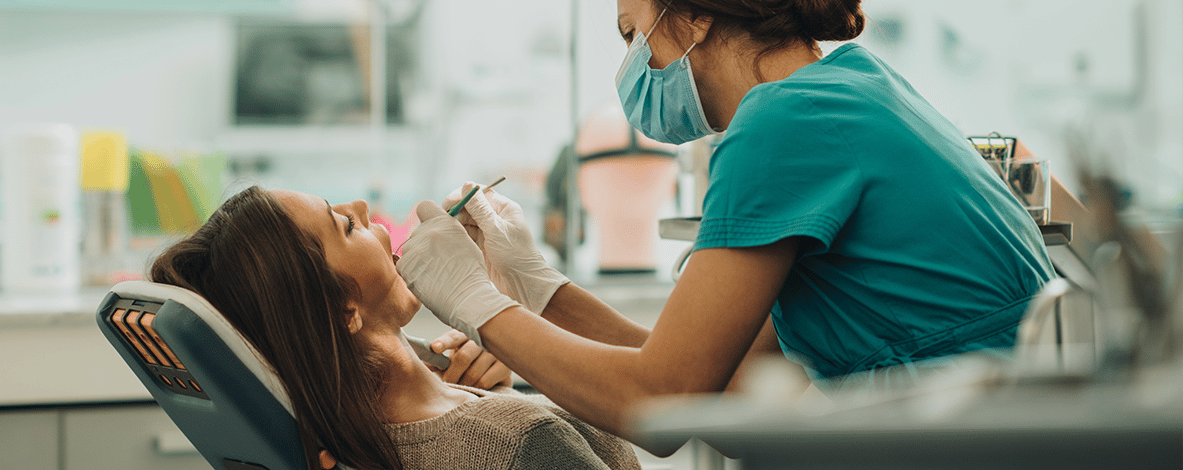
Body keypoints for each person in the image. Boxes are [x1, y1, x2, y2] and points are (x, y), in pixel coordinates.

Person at [396, 0, 1056, 447]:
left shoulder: (784, 121)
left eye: (633, 35)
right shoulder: (853, 86)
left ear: (697, 16)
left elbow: (661, 402)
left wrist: (476, 305)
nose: (630, 67)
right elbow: (714, 372)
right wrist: (537, 288)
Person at [149, 186, 641, 470]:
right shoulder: (522, 443)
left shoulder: (366, 436)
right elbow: (666, 388)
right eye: (344, 226)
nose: (362, 208)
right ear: (345, 310)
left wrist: (498, 387)